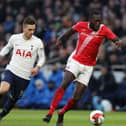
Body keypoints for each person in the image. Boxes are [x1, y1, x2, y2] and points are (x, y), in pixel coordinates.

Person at [43, 10, 121, 126]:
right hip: (75, 61)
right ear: (90, 20)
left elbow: (115, 39)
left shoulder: (103, 29)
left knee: (76, 98)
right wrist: (60, 39)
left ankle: (61, 113)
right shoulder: (81, 25)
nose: (98, 23)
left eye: (99, 21)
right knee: (64, 84)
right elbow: (69, 32)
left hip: (88, 67)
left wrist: (117, 43)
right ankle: (50, 113)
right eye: (96, 21)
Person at [0, 16, 46, 119]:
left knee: (14, 99)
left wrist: (37, 67)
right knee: (3, 89)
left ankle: (2, 115)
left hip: (24, 77)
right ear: (23, 28)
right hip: (12, 70)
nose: (32, 32)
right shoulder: (15, 38)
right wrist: (1, 55)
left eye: (34, 29)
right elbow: (7, 48)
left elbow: (42, 58)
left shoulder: (37, 42)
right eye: (30, 29)